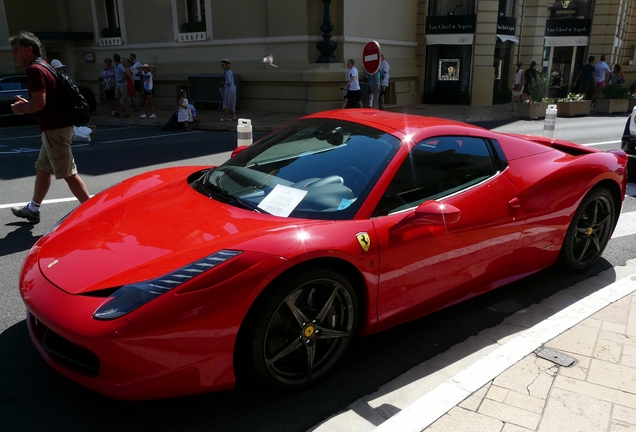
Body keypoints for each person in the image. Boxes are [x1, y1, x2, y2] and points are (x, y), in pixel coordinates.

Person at [9, 31, 90, 224]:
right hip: (57, 128)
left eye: (16, 50)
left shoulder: (34, 70)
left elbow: (39, 104)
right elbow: (47, 100)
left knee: (69, 173)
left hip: (54, 130)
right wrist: (29, 103)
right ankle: (33, 209)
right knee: (43, 169)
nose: (14, 54)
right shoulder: (45, 66)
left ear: (29, 50)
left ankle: (92, 211)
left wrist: (21, 109)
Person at [112, 53, 130, 118]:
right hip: (117, 84)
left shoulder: (120, 66)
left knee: (125, 98)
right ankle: (117, 111)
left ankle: (127, 112)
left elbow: (126, 73)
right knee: (116, 98)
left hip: (122, 84)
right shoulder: (115, 65)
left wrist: (123, 79)